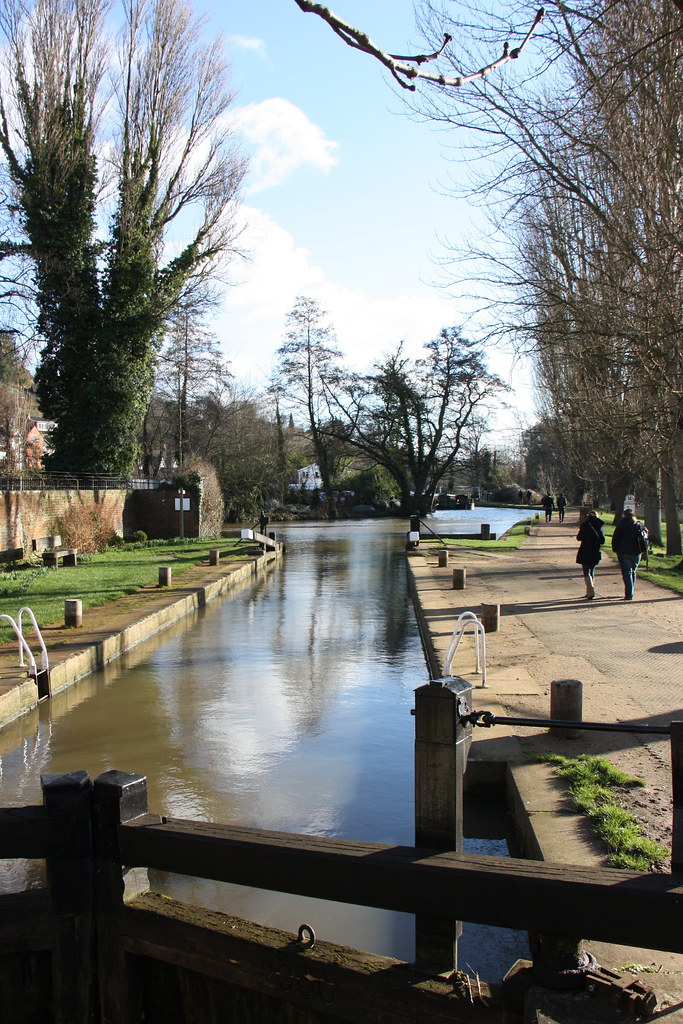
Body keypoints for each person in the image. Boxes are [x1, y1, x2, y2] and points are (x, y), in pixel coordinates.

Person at [611, 508, 646, 601]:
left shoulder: (621, 525)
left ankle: (629, 594)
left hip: (624, 552)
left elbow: (615, 538)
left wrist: (615, 549)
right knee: (633, 572)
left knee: (627, 573)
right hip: (636, 552)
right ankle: (631, 591)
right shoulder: (638, 525)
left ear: (624, 515)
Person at [575, 509, 605, 600]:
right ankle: (589, 590)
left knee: (586, 571)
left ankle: (590, 590)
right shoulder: (600, 526)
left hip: (585, 549)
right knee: (592, 570)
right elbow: (602, 540)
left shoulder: (585, 525)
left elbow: (579, 537)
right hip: (595, 550)